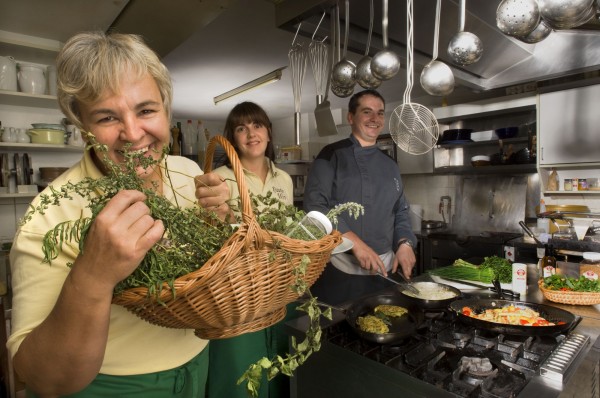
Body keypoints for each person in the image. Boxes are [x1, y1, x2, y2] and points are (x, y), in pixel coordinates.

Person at [7, 31, 231, 397]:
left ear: (166, 110)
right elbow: (41, 377)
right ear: (82, 128)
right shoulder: (47, 219)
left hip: (198, 364)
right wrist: (93, 276)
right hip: (108, 386)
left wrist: (221, 224)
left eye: (146, 110)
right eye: (107, 117)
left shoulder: (188, 173)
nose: (132, 133)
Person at [201, 101, 295, 398]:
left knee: (281, 362)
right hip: (238, 289)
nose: (251, 133)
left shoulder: (285, 179)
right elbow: (212, 238)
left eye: (257, 125)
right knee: (240, 369)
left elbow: (288, 231)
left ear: (268, 132)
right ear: (232, 138)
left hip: (279, 283)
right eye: (241, 128)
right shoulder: (221, 178)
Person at [303, 89, 417, 298]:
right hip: (341, 268)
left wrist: (405, 244)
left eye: (380, 113)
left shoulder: (390, 165)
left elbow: (400, 211)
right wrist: (355, 243)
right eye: (367, 112)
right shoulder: (331, 155)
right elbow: (315, 206)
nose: (375, 119)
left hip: (386, 270)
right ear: (350, 117)